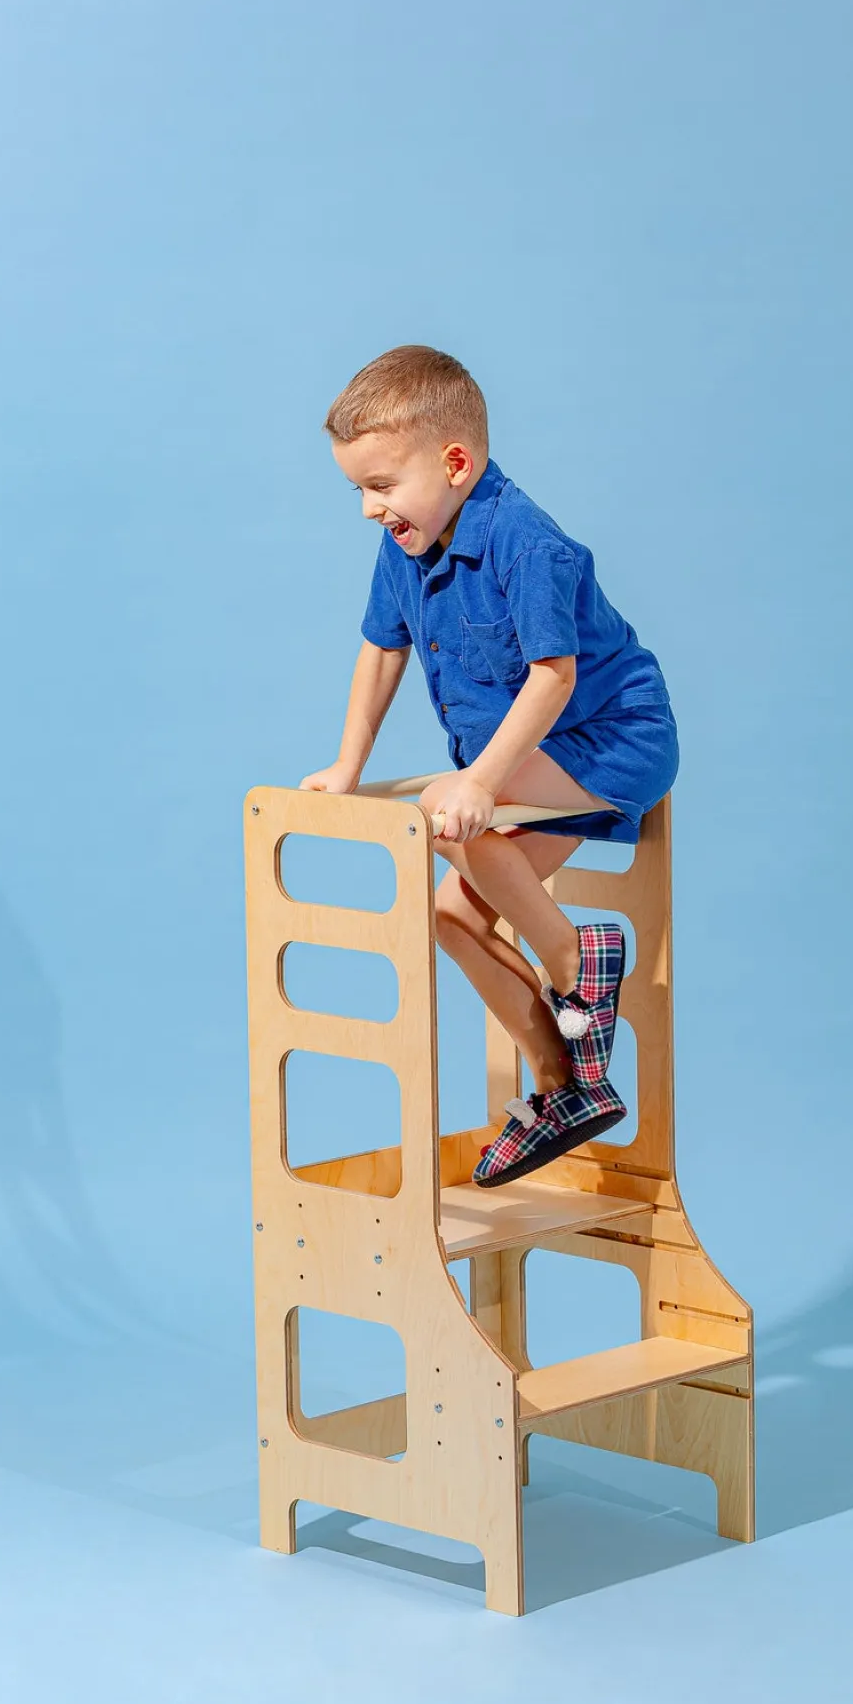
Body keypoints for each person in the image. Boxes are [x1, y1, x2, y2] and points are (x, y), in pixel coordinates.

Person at [300, 345, 679, 1187]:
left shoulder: (525, 542)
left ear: (456, 463)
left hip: (611, 738)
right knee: (452, 917)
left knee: (444, 810)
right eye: (357, 489)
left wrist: (477, 782)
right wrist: (348, 763)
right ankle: (567, 1085)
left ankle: (579, 962)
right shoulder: (407, 544)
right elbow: (381, 649)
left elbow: (555, 676)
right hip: (540, 753)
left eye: (382, 484)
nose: (368, 508)